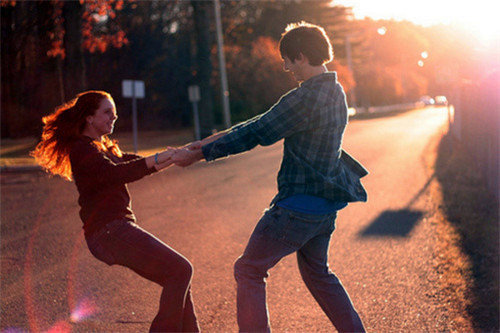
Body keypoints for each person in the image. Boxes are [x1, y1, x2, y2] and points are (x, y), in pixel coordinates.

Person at [172, 22, 368, 332]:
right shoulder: (336, 91)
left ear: (301, 56)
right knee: (319, 274)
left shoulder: (306, 98)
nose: (286, 67)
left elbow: (258, 131)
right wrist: (205, 143)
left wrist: (199, 154)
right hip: (325, 207)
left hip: (297, 209)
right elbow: (261, 122)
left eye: (288, 59)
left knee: (249, 270)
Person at [31, 90, 200, 332]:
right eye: (107, 112)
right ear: (89, 117)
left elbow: (130, 163)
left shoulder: (102, 148)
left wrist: (175, 156)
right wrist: (160, 158)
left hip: (115, 231)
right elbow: (114, 174)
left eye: (115, 113)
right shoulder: (82, 149)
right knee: (181, 270)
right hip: (109, 232)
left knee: (179, 278)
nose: (114, 117)